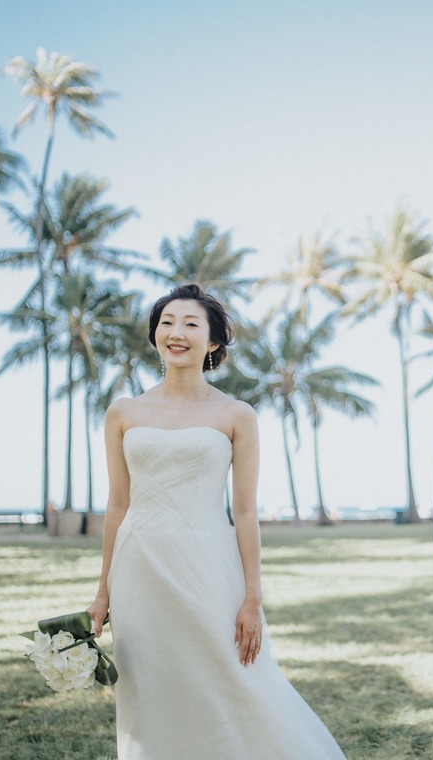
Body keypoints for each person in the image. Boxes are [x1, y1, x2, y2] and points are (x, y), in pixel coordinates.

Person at [87, 283, 344, 760]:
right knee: (152, 691)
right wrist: (103, 590)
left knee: (235, 681)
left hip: (210, 565)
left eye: (190, 324)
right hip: (138, 570)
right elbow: (118, 505)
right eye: (166, 323)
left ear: (213, 343)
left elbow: (244, 511)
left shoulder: (235, 414)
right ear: (154, 335)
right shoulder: (124, 412)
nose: (176, 333)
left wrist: (252, 595)